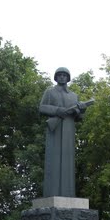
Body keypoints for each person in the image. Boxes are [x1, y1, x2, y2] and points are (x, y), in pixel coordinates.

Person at [39, 67, 90, 197]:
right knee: (54, 161)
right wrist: (57, 111)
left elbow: (78, 117)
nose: (62, 77)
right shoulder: (50, 92)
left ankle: (68, 195)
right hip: (54, 130)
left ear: (68, 78)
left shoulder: (74, 96)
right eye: (60, 75)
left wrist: (82, 110)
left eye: (64, 75)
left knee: (68, 163)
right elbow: (42, 107)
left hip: (69, 130)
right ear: (56, 77)